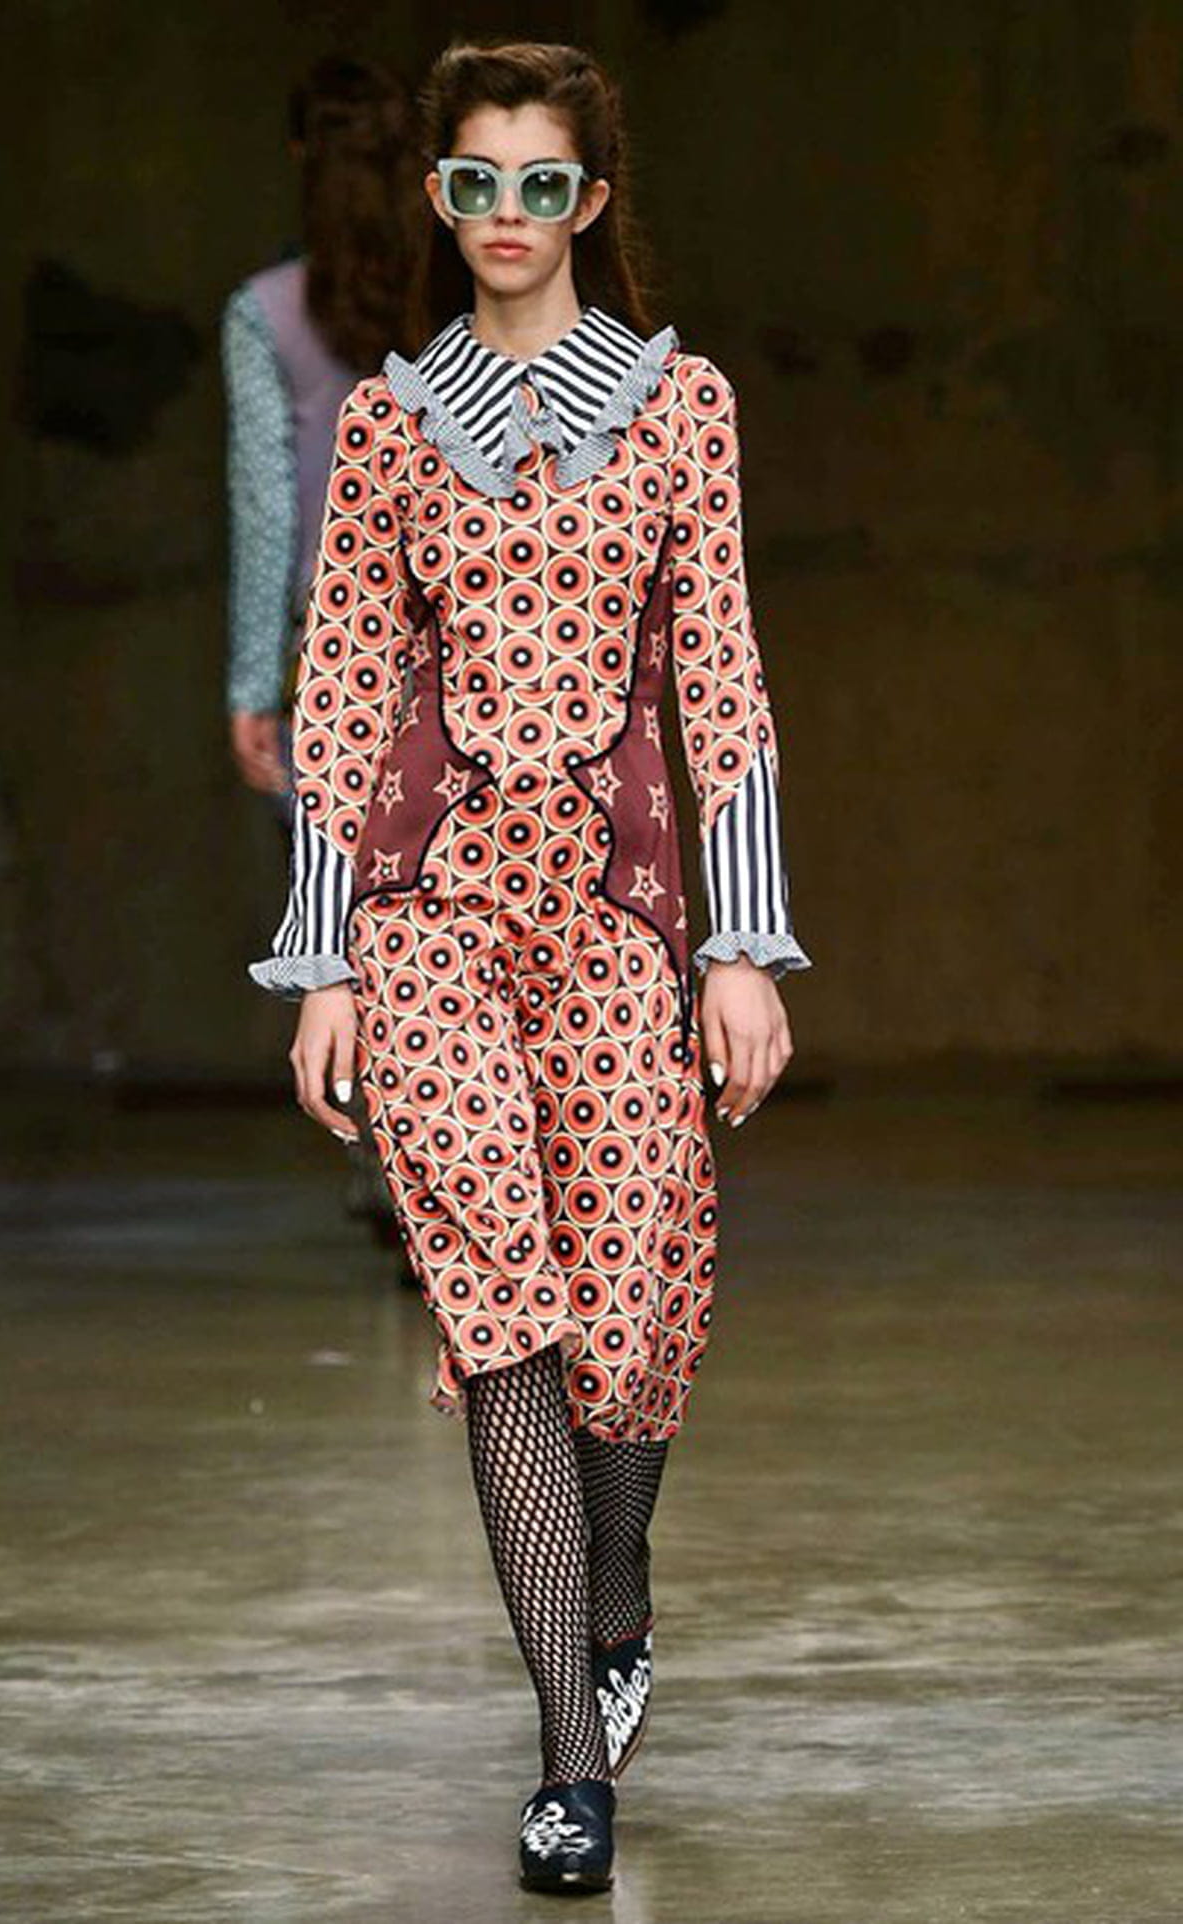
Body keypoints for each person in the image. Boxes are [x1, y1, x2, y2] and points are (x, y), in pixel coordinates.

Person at [249, 36, 813, 1895]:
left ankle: (616, 1587)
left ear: (590, 199)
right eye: (475, 180)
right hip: (427, 917)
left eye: (541, 181)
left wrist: (743, 943)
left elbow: (721, 675)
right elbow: (344, 692)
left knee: (634, 1308)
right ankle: (573, 1753)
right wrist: (322, 960)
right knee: (504, 1307)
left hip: (622, 912)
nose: (508, 212)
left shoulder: (682, 406)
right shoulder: (392, 423)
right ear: (440, 198)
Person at [222, 55, 422, 1267]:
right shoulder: (469, 303)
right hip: (478, 640)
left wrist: (253, 684)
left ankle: (390, 1171)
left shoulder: (266, 312)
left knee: (349, 920)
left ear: (301, 158)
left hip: (328, 654)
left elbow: (264, 509)